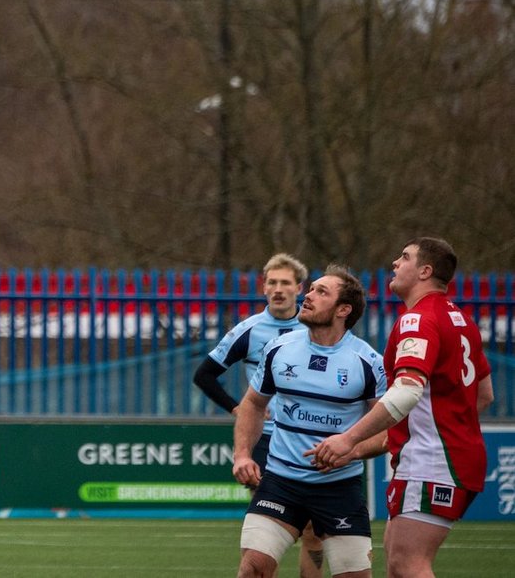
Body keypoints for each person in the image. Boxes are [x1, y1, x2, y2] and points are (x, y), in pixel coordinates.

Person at [310, 237, 494, 578]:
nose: (395, 262)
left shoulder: (418, 320)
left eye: (405, 257)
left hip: (434, 462)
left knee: (408, 564)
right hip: (444, 457)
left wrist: (348, 440)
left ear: (425, 271)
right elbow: (484, 396)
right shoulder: (460, 319)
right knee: (397, 564)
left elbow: (407, 392)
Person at [231, 266, 386, 578]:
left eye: (321, 292)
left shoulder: (368, 363)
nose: (308, 295)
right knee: (252, 570)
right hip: (280, 483)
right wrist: (243, 454)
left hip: (339, 489)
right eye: (311, 288)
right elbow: (252, 403)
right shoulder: (280, 348)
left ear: (344, 310)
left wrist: (351, 450)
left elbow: (390, 430)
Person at [194, 252, 324, 578]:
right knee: (266, 531)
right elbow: (204, 374)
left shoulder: (316, 329)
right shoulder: (250, 330)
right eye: (272, 282)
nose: (278, 289)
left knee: (312, 529)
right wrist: (238, 408)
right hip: (265, 441)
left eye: (285, 283)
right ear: (264, 288)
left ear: (299, 288)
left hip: (310, 439)